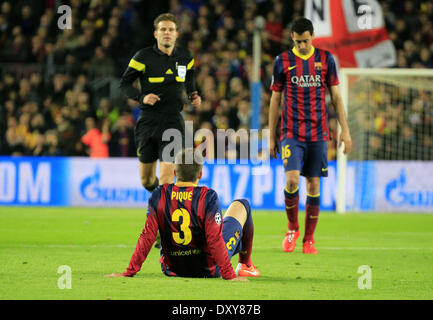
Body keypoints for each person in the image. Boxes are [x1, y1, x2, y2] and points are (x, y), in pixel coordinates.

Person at [105, 148, 260, 280]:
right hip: (208, 270)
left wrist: (129, 272)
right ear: (200, 174)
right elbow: (214, 239)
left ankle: (242, 259)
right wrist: (229, 275)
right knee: (242, 205)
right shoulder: (208, 196)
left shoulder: (159, 194)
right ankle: (246, 264)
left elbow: (148, 236)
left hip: (171, 270)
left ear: (174, 172)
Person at [268, 18, 352, 254]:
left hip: (318, 132)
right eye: (297, 41)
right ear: (292, 38)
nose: (302, 45)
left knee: (313, 185)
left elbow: (336, 96)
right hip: (291, 132)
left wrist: (344, 129)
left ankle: (309, 239)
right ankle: (292, 228)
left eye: (305, 41)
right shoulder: (282, 61)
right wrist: (271, 135)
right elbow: (275, 99)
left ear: (313, 36)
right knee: (292, 179)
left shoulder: (326, 59)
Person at [119, 13, 201, 193]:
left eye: (171, 29)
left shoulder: (185, 57)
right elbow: (124, 84)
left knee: (166, 179)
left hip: (173, 122)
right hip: (148, 121)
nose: (167, 33)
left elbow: (190, 76)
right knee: (147, 180)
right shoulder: (143, 57)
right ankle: (160, 198)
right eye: (163, 29)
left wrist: (193, 93)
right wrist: (142, 98)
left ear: (177, 34)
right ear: (155, 34)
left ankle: (163, 216)